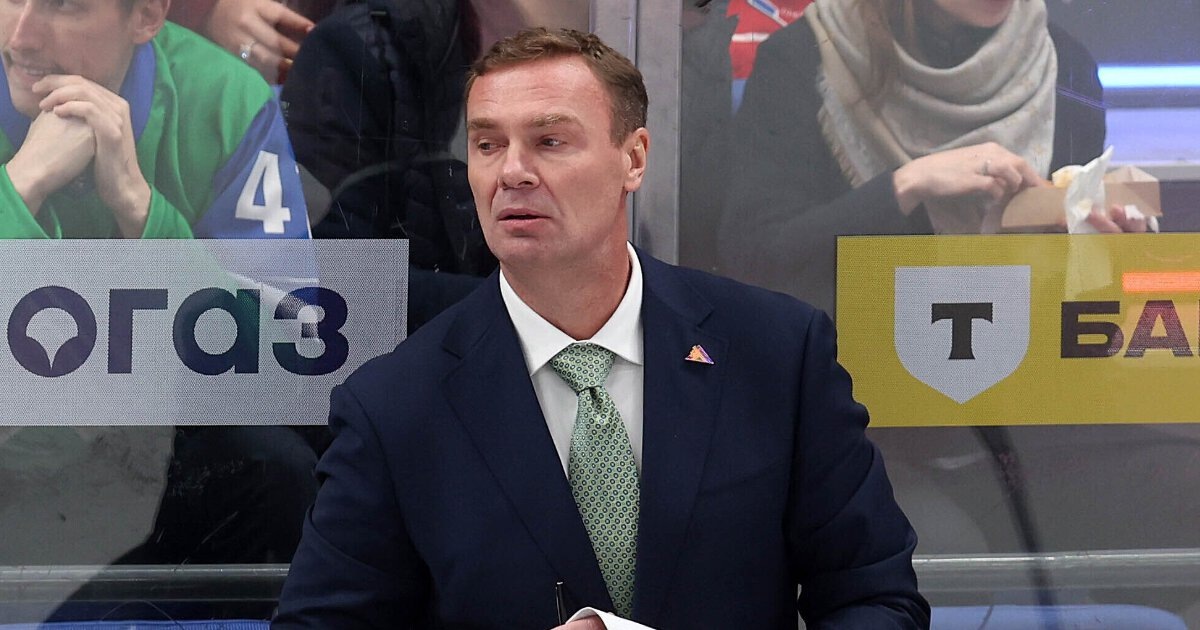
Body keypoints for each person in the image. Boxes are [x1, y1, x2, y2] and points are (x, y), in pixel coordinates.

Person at [274, 27, 928, 629]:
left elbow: (876, 598)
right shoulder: (394, 407)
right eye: (487, 144)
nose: (512, 172)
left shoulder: (777, 353)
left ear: (633, 158)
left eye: (549, 142)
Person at [0, 0, 315, 591]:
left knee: (275, 470)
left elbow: (287, 356)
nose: (20, 36)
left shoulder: (227, 100)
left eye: (64, 6)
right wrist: (21, 186)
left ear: (146, 15)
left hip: (148, 460)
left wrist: (142, 211)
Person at [718, 0, 1130, 315]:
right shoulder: (806, 56)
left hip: (1019, 377)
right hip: (845, 377)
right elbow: (754, 261)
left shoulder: (1063, 66)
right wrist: (906, 185)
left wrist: (1108, 249)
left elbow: (1069, 303)